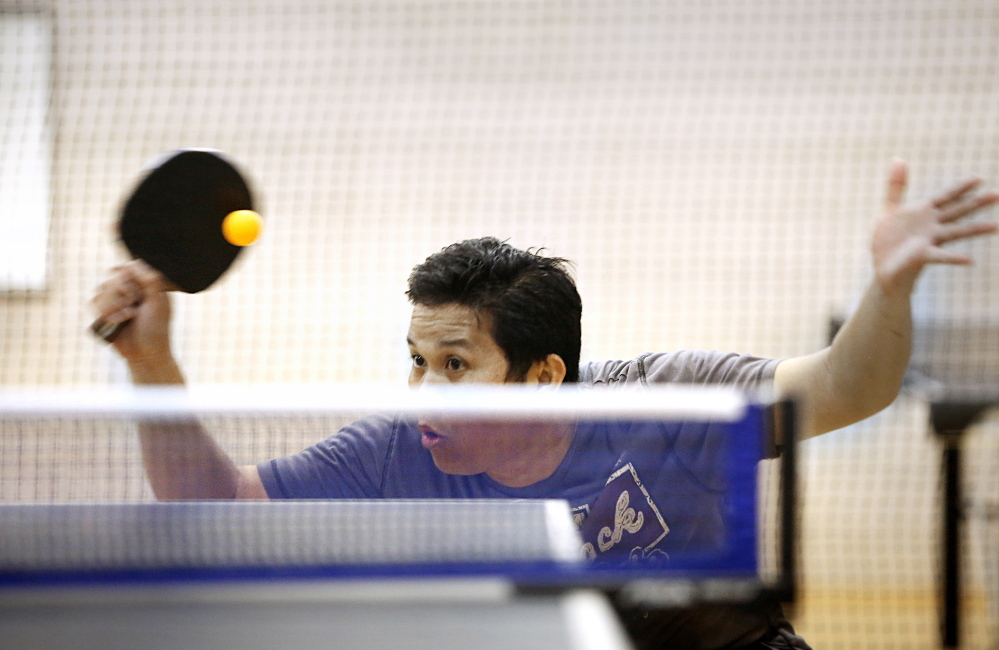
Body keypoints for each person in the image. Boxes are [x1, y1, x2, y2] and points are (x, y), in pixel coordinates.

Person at [91, 161, 997, 649]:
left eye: (454, 364)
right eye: (415, 362)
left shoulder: (668, 401)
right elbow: (217, 506)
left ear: (541, 374)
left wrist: (889, 289)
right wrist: (150, 362)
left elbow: (845, 387)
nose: (423, 392)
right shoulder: (398, 448)